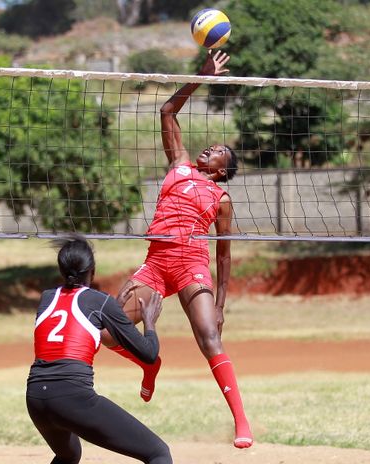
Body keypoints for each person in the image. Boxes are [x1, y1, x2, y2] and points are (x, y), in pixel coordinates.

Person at [104, 49, 253, 449]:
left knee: (209, 338)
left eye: (218, 151)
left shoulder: (220, 198)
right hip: (155, 264)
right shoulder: (180, 166)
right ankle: (149, 364)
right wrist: (201, 76)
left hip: (191, 267)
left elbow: (223, 255)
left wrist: (221, 305)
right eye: (210, 147)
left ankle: (241, 423)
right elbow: (168, 112)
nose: (209, 149)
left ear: (222, 170)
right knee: (108, 334)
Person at [26, 236, 172, 464]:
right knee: (158, 453)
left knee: (69, 454)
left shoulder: (46, 298)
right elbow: (149, 354)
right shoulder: (100, 301)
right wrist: (149, 321)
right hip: (72, 397)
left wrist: (114, 308)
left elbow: (81, 324)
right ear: (92, 271)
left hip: (36, 398)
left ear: (62, 269)